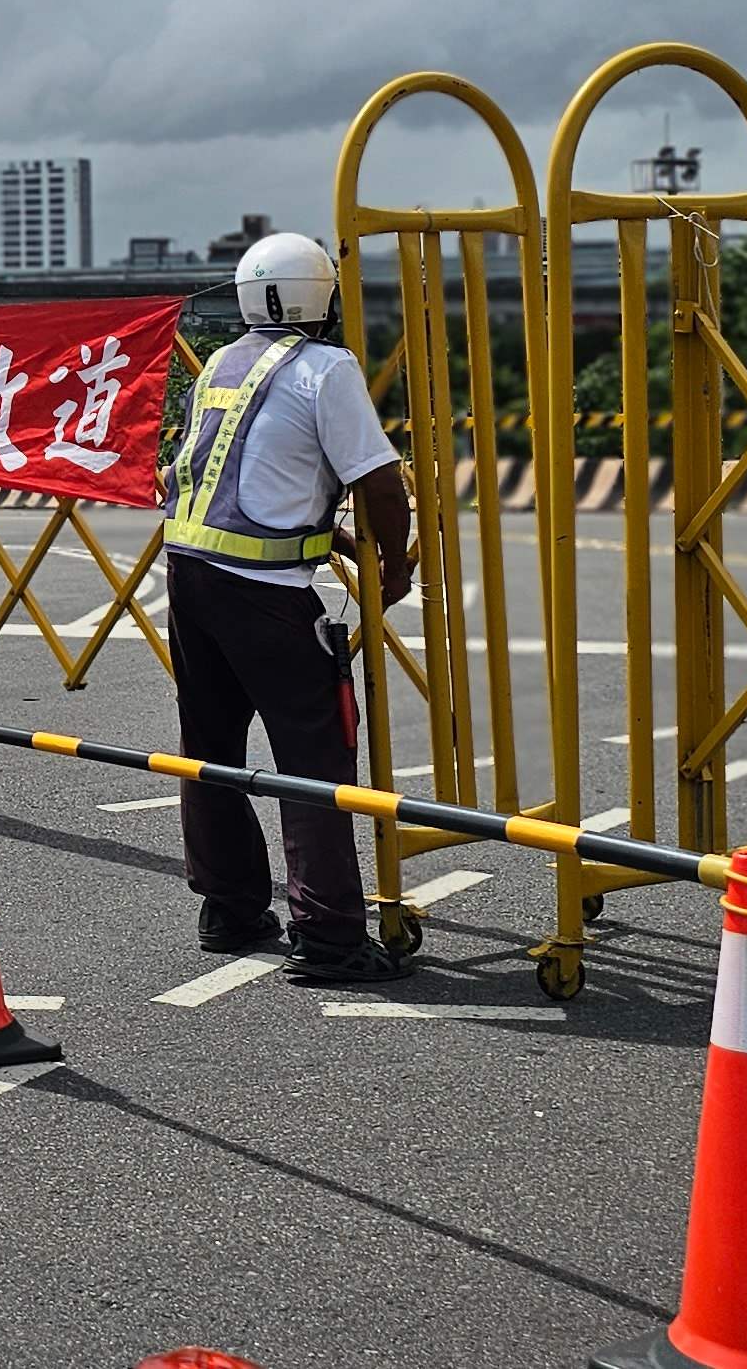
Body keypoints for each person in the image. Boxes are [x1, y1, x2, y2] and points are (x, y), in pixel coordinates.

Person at [160, 231, 420, 984]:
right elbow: (378, 482)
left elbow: (245, 471)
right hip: (266, 594)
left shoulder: (222, 363)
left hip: (190, 574)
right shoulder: (326, 368)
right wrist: (392, 565)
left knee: (208, 746)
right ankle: (330, 936)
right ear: (322, 296)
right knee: (315, 759)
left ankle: (230, 908)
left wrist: (321, 528)